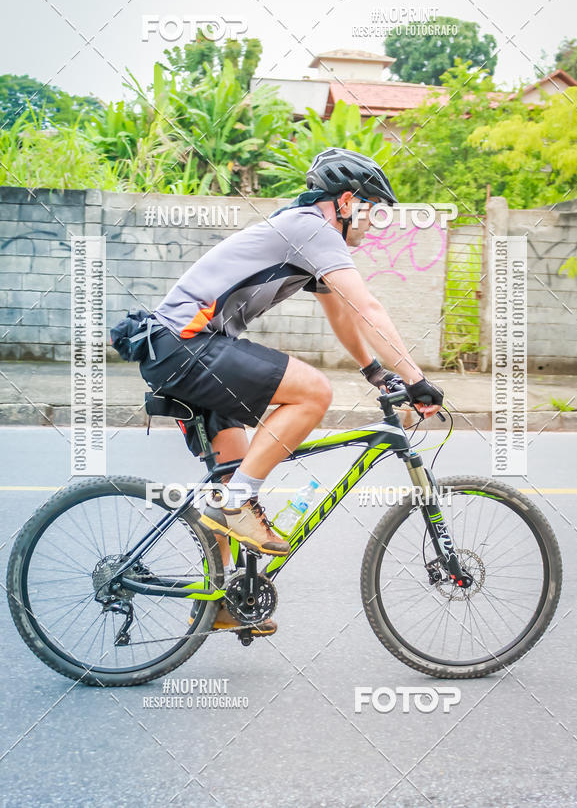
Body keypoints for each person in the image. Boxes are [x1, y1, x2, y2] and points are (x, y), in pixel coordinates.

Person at [139, 148, 444, 635]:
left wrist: (374, 371)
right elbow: (368, 305)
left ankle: (220, 602)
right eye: (370, 208)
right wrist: (415, 379)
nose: (374, 221)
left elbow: (342, 311)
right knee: (312, 393)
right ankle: (236, 504)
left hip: (181, 350)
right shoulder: (312, 229)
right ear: (346, 201)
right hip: (185, 344)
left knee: (231, 475)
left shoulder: (305, 232)